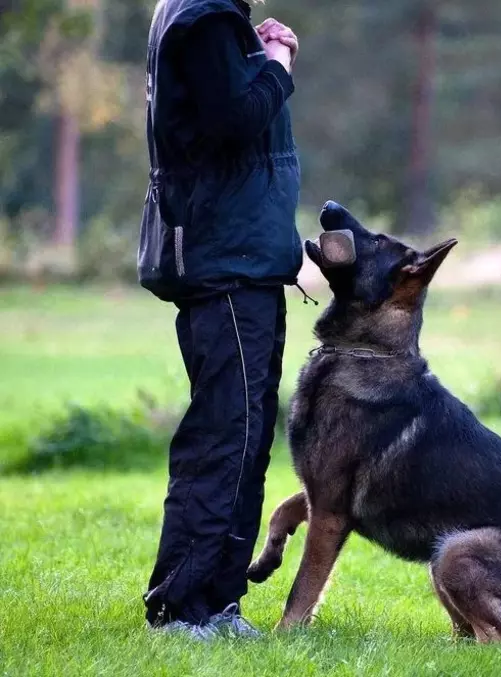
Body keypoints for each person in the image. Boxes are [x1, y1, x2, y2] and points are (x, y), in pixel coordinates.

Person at [137, 0, 302, 639]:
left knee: (247, 435)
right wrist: (280, 65)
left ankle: (219, 603)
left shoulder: (210, 17)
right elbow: (236, 121)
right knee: (224, 437)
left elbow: (221, 110)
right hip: (226, 259)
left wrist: (255, 57)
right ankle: (181, 607)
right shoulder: (204, 17)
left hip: (244, 258)